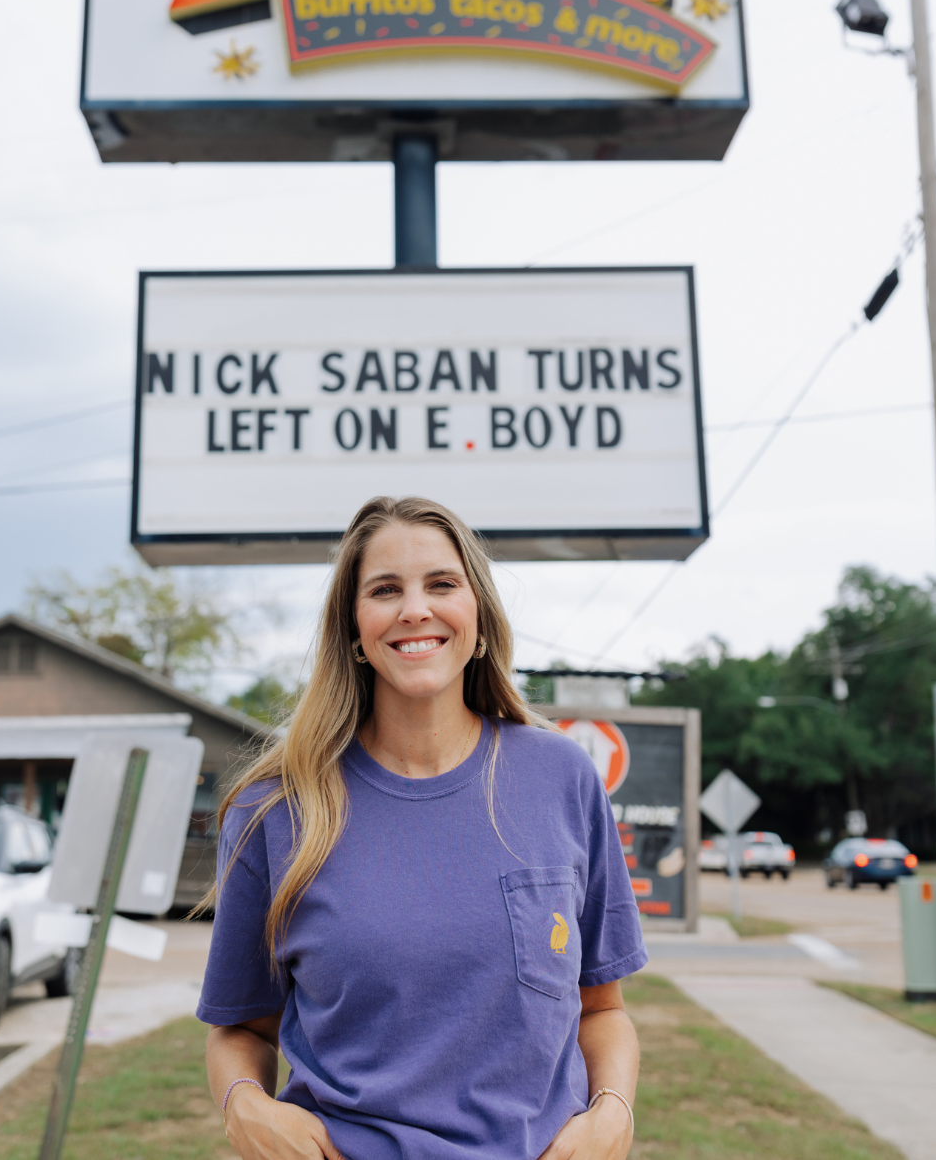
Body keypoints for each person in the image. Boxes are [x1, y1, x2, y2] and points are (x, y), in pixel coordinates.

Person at [198, 495, 646, 1160]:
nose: (415, 609)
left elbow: (603, 1012)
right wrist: (245, 1105)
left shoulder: (563, 779)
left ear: (480, 619)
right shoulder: (276, 808)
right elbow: (242, 1030)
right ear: (353, 629)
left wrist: (612, 1114)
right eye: (385, 590)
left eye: (442, 584)